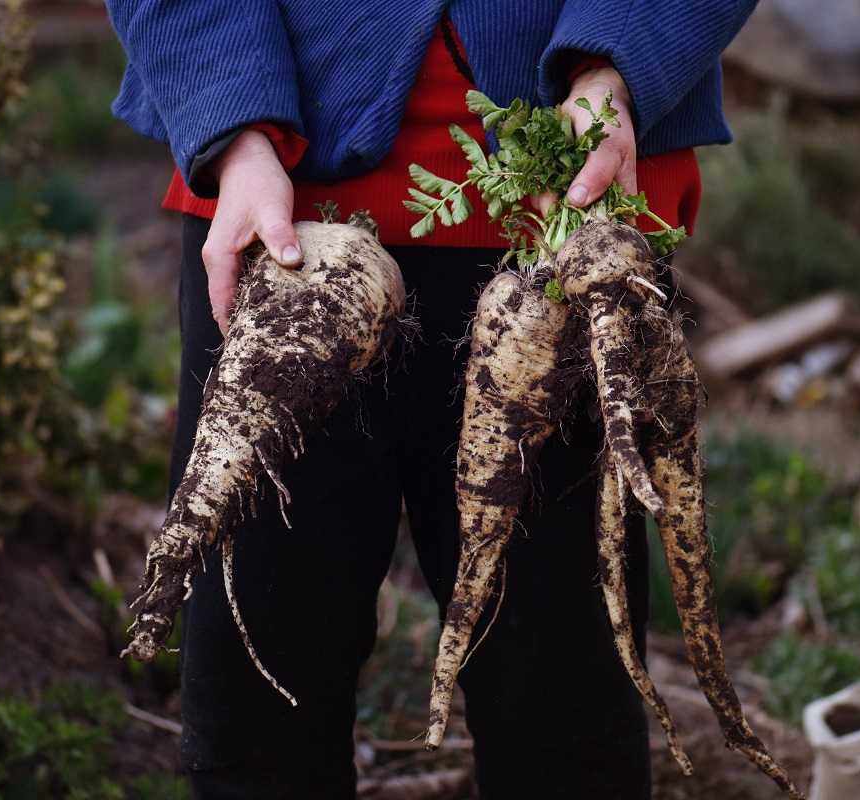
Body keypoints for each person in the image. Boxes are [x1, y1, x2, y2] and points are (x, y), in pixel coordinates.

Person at [103, 4, 758, 798]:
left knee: (565, 719)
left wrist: (612, 69)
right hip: (284, 231)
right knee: (254, 720)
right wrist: (235, 132)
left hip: (561, 229)